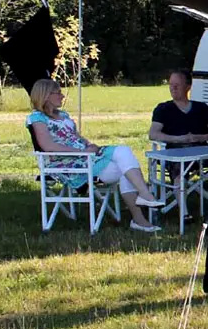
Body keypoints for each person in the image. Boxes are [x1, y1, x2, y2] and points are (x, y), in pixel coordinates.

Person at [27, 78, 165, 233]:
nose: (62, 96)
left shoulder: (63, 115)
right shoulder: (37, 118)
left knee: (125, 168)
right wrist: (82, 152)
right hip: (67, 165)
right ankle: (144, 199)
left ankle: (140, 217)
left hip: (86, 158)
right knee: (123, 154)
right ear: (45, 95)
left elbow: (75, 137)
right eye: (58, 93)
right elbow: (48, 146)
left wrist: (88, 145)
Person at [148, 68, 208, 147]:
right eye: (171, 84)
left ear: (188, 87)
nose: (173, 88)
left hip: (201, 153)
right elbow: (153, 134)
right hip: (174, 155)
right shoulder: (163, 109)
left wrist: (202, 137)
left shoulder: (202, 108)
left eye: (177, 85)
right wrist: (179, 139)